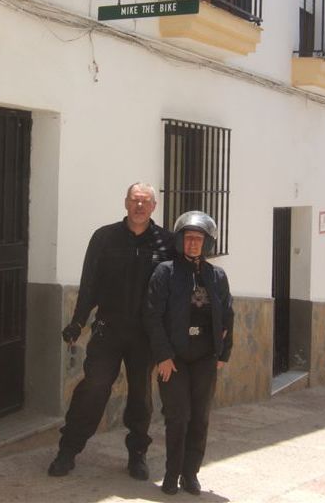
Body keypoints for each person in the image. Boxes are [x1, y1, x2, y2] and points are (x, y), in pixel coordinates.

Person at [48, 182, 174, 480]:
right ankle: (68, 451)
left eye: (145, 201)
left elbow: (173, 291)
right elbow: (89, 283)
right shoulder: (104, 237)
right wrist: (78, 322)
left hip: (145, 335)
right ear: (126, 203)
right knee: (94, 387)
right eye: (134, 200)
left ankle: (137, 455)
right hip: (109, 330)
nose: (139, 206)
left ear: (154, 206)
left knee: (141, 396)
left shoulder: (166, 242)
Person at [143, 211, 234, 496]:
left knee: (200, 418)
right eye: (188, 238)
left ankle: (190, 474)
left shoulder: (217, 276)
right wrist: (163, 356)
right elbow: (152, 316)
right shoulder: (165, 272)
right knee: (178, 416)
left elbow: (228, 315)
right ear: (180, 240)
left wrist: (222, 354)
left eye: (198, 238)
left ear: (207, 243)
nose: (193, 243)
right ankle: (172, 474)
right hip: (174, 359)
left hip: (205, 357)